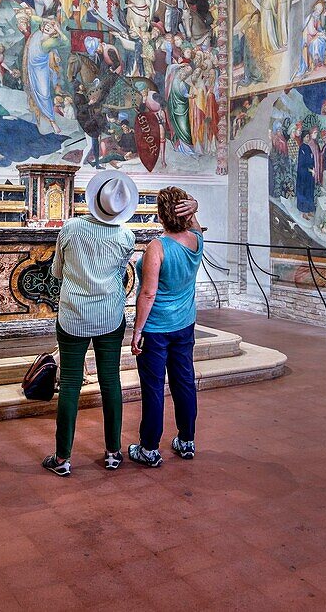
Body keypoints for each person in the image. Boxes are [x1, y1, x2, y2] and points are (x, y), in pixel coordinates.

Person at [42, 170, 139, 477]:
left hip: (73, 315)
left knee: (70, 383)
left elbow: (57, 272)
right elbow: (120, 274)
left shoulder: (71, 228)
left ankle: (62, 459)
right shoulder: (126, 235)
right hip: (110, 315)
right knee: (111, 380)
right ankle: (113, 453)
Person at [128, 187, 203, 468]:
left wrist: (137, 331)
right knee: (184, 382)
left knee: (154, 387)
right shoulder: (196, 240)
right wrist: (195, 207)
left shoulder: (157, 247)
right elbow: (195, 224)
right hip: (185, 324)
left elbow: (148, 294)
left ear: (160, 214)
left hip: (157, 328)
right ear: (185, 210)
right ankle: (186, 441)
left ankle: (149, 448)